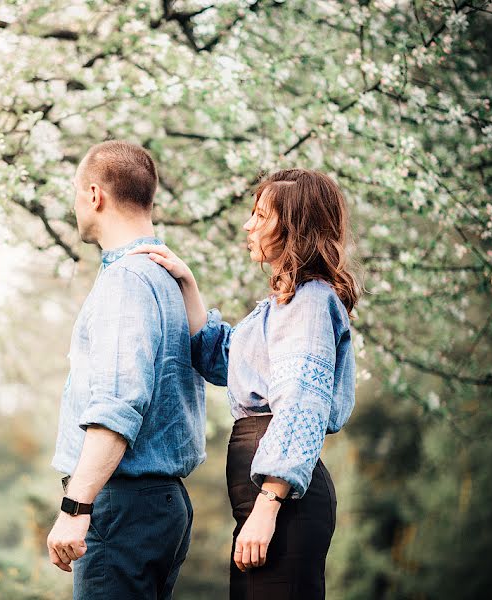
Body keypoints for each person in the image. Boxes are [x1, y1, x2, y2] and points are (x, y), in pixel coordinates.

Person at [130, 169, 360, 599]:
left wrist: (269, 504)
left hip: (282, 499)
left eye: (260, 215)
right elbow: (223, 360)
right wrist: (187, 284)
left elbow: (300, 405)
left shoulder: (309, 303)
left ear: (293, 227)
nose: (247, 224)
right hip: (268, 495)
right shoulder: (282, 305)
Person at [47, 140, 207, 599]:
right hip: (158, 506)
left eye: (77, 191)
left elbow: (118, 404)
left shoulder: (127, 281)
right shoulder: (163, 276)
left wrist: (76, 506)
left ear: (95, 194)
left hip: (124, 505)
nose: (76, 203)